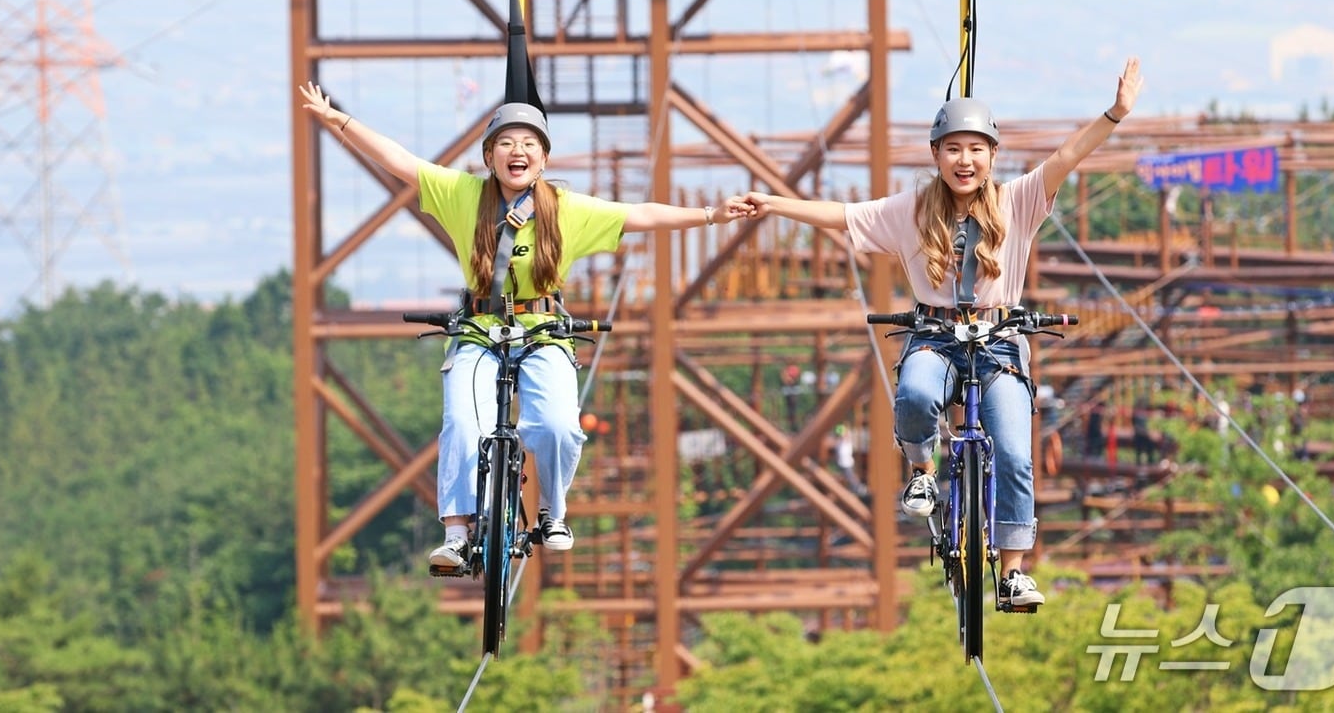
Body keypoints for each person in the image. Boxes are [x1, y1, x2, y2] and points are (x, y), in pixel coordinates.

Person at [743, 58, 1144, 608]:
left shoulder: (1018, 201)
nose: (965, 160)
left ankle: (1012, 570)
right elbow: (841, 215)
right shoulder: (910, 211)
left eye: (977, 149)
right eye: (953, 149)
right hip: (936, 335)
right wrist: (773, 204)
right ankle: (923, 471)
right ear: (935, 155)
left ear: (992, 156)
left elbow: (1066, 157)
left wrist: (1115, 114)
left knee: (1013, 450)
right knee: (914, 393)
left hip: (998, 341)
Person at [299, 83, 751, 568]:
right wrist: (339, 121)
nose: (519, 151)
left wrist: (710, 215)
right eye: (507, 144)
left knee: (556, 425)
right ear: (489, 156)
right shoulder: (462, 195)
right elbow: (401, 161)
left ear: (544, 157)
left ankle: (552, 511)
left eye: (530, 143)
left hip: (543, 332)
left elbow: (639, 214)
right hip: (478, 330)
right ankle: (456, 532)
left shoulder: (566, 210)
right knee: (463, 424)